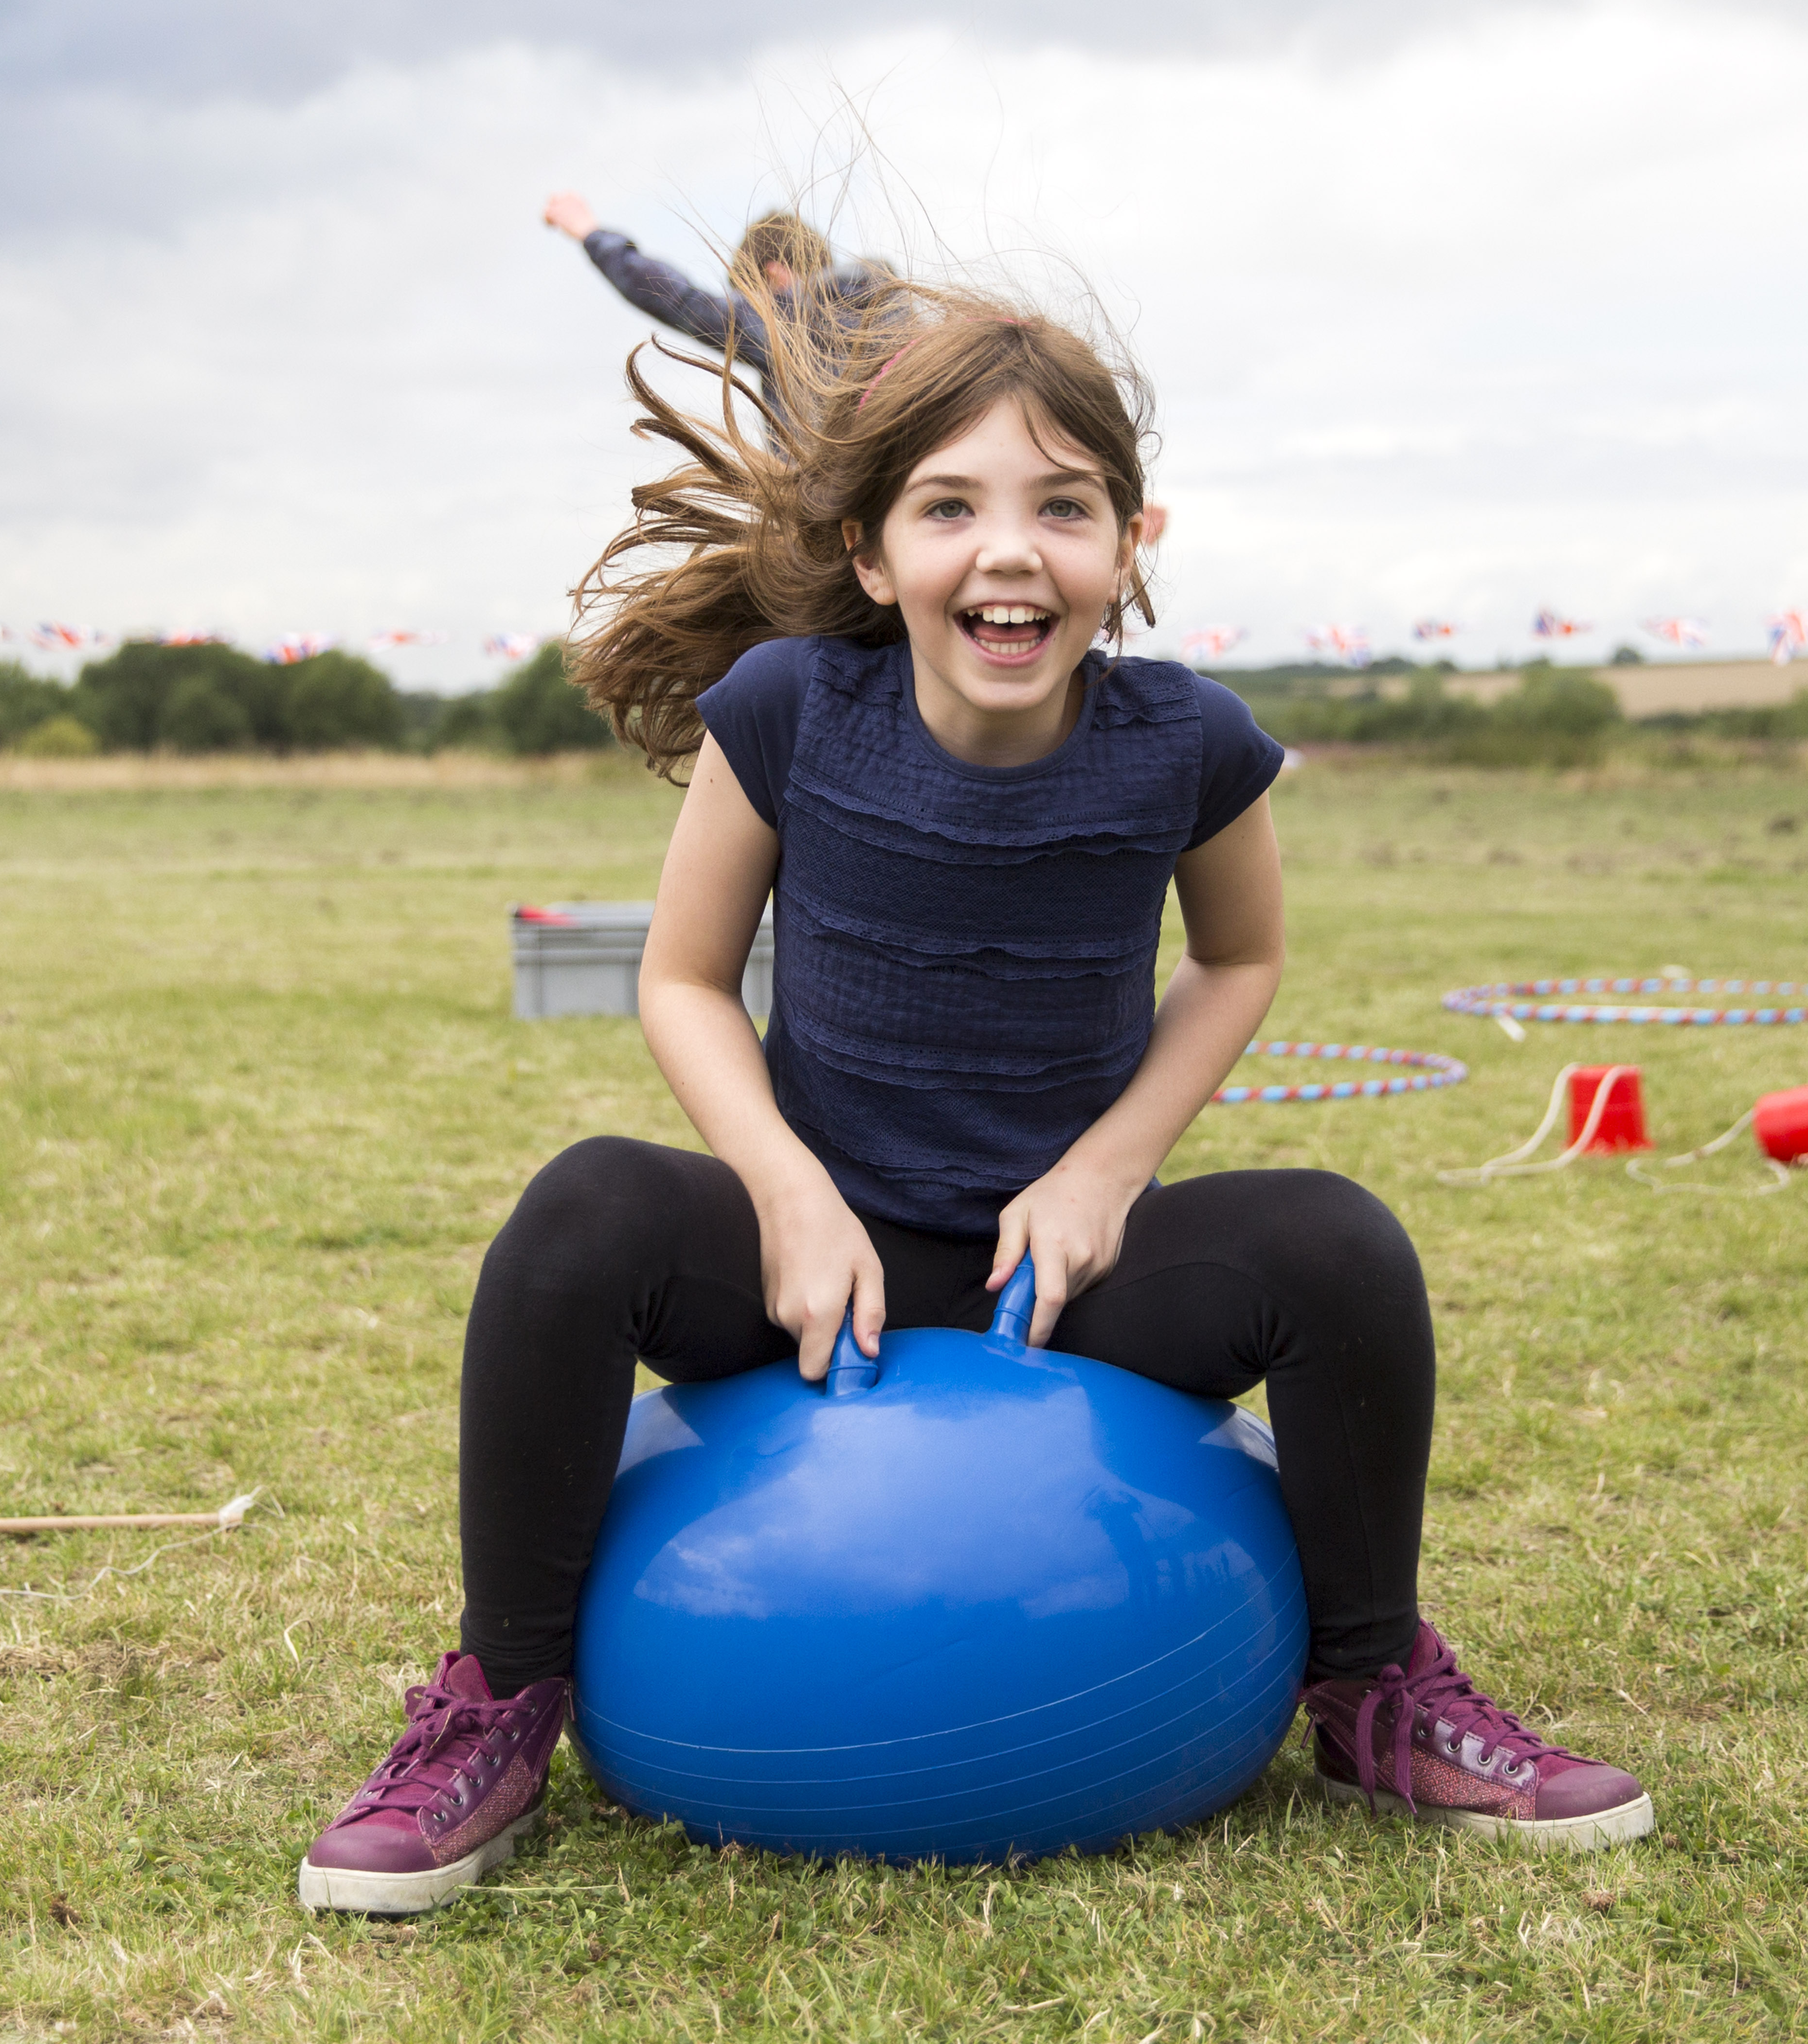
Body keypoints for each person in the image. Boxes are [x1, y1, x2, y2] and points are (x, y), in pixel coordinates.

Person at [294, 278, 1652, 1916]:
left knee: (1340, 1245)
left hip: (1058, 1275)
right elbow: (681, 976)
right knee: (583, 1211)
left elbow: (1238, 961)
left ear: (1132, 541)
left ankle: (1373, 1691)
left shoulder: (1189, 742)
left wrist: (1105, 1175)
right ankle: (501, 1704)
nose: (1011, 551)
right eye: (953, 507)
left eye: (1061, 507)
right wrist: (788, 1191)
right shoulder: (792, 712)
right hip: (818, 1265)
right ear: (876, 557)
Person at [543, 192, 883, 431]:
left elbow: (680, 301)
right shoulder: (893, 307)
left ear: (775, 275)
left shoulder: (788, 323)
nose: (747, 308)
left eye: (748, 296)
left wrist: (590, 233)